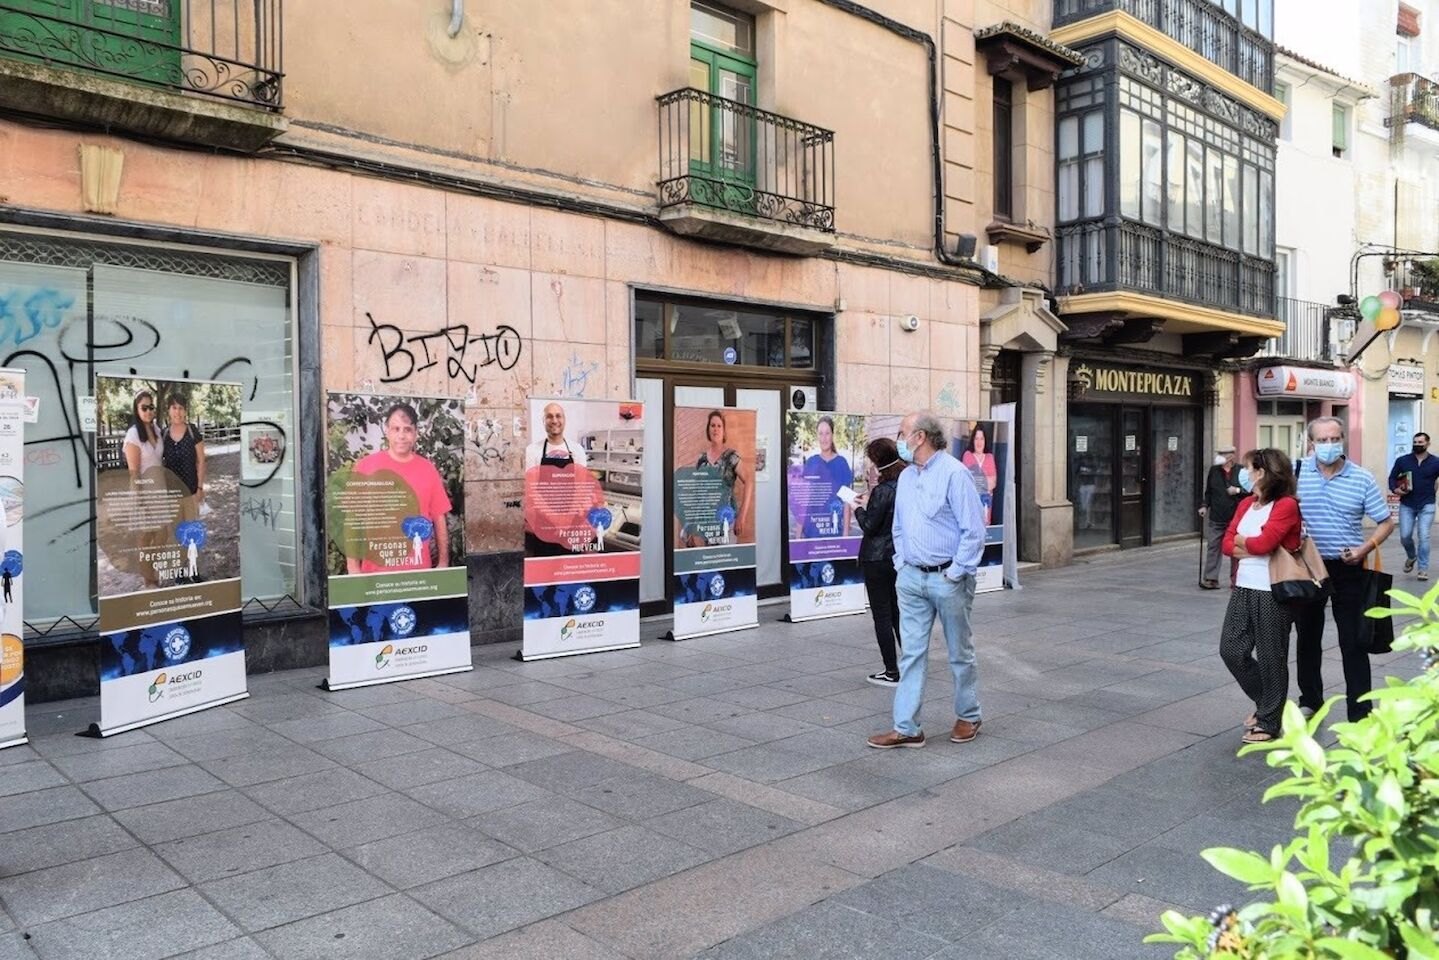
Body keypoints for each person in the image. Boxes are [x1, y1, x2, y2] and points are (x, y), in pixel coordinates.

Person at [867, 411, 986, 749]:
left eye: (902, 432)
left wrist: (956, 571)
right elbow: (899, 527)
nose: (899, 439)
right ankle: (906, 728)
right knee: (912, 655)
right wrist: (902, 564)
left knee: (959, 652)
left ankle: (969, 715)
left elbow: (974, 531)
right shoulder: (906, 478)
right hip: (911, 579)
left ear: (920, 437)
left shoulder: (955, 474)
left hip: (948, 578)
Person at [1294, 416, 1395, 722]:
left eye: (1334, 439)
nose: (1329, 445)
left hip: (1349, 567)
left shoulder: (1361, 478)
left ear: (1343, 440)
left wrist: (1365, 548)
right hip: (1308, 567)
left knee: (1354, 641)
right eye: (1322, 440)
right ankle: (1310, 700)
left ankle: (1360, 712)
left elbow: (1386, 522)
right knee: (1307, 637)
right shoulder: (1296, 472)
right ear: (1311, 443)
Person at [1220, 449, 1302, 743]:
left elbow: (1264, 543)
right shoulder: (1246, 504)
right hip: (1244, 586)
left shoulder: (1286, 505)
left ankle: (1269, 721)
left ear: (1262, 473)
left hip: (1273, 590)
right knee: (1231, 649)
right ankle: (1270, 704)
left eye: (1248, 468)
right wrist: (1250, 545)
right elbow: (1226, 544)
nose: (1244, 473)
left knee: (1271, 656)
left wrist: (1245, 543)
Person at [348, 402, 452, 573]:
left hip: (418, 574)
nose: (401, 435)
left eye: (407, 429)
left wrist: (443, 562)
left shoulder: (428, 469)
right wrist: (353, 568)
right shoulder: (366, 467)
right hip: (374, 575)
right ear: (387, 431)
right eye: (396, 429)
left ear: (416, 433)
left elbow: (439, 517)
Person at [853, 437, 904, 686]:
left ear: (878, 461)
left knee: (882, 615)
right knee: (897, 613)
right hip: (897, 557)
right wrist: (869, 502)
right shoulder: (905, 484)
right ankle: (913, 665)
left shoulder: (882, 490)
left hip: (876, 559)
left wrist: (857, 508)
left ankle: (891, 671)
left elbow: (870, 526)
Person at [682, 410, 752, 547]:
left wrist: (742, 516)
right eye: (712, 425)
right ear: (708, 430)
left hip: (728, 523)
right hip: (708, 525)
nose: (716, 429)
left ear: (724, 431)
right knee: (710, 559)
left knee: (727, 558)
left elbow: (749, 481)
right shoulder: (701, 460)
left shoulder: (731, 456)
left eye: (719, 426)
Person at [1388, 431, 1439, 580]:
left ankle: (1423, 569)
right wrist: (1395, 489)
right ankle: (1411, 556)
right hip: (1407, 504)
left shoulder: (1436, 462)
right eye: (1415, 442)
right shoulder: (1402, 461)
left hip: (1427, 504)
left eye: (1420, 442)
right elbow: (1392, 478)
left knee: (1424, 536)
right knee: (1405, 536)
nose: (1417, 445)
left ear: (1428, 444)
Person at [796, 415, 852, 538]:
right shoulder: (811, 462)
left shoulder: (842, 463)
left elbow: (847, 503)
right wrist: (797, 536)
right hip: (812, 534)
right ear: (817, 436)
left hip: (834, 533)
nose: (824, 438)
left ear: (832, 435)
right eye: (820, 433)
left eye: (827, 433)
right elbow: (803, 502)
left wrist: (845, 536)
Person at [1199, 444, 1243, 589]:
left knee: (1235, 549)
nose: (1219, 456)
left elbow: (1250, 491)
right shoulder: (1214, 470)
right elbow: (1209, 492)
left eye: (1223, 454)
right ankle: (1211, 579)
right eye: (1219, 453)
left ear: (1231, 456)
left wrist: (1237, 490)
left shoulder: (1241, 470)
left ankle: (1236, 580)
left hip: (1235, 517)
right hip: (1217, 516)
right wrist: (1204, 506)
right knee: (1213, 546)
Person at [162, 391, 206, 524]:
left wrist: (199, 489)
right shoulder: (164, 434)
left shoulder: (193, 432)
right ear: (169, 410)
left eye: (181, 408)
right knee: (175, 533)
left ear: (185, 411)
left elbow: (201, 461)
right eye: (174, 408)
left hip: (191, 493)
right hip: (172, 496)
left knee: (191, 532)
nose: (178, 412)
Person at [524, 402, 589, 470]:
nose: (554, 421)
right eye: (549, 416)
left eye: (558, 416)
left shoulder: (577, 450)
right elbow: (530, 477)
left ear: (564, 420)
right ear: (543, 421)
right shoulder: (531, 451)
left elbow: (581, 477)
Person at [960, 424, 998, 525]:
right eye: (976, 438)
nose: (979, 442)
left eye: (981, 439)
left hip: (986, 511)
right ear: (973, 440)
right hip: (970, 512)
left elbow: (993, 483)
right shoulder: (968, 456)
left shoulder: (989, 457)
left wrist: (976, 480)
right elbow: (967, 482)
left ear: (985, 441)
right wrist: (985, 481)